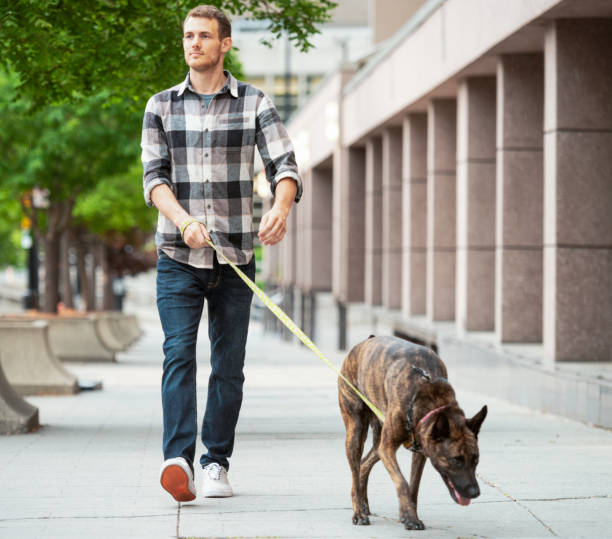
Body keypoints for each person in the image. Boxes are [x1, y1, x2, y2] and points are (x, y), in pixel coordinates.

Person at [141, 4, 301, 502]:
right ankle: (178, 461)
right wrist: (183, 220)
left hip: (235, 258)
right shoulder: (161, 105)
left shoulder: (254, 102)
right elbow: (154, 180)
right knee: (177, 354)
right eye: (188, 36)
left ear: (225, 43)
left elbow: (285, 164)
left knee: (229, 366)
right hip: (177, 255)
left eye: (205, 36)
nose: (194, 44)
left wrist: (282, 206)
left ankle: (215, 463)